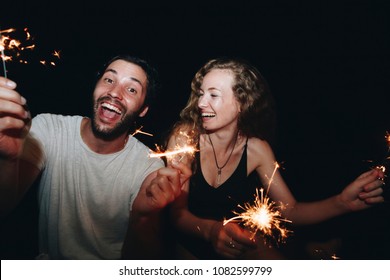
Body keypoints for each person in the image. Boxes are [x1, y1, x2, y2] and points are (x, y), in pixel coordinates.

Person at [165, 57, 385, 259]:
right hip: (188, 247)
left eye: (213, 95)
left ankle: (311, 250)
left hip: (239, 244)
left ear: (242, 102)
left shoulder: (256, 149)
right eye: (201, 93)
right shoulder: (185, 138)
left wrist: (342, 202)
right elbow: (177, 215)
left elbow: (289, 210)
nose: (201, 103)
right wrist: (211, 231)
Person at [0, 54, 190, 259]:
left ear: (143, 110)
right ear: (95, 86)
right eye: (109, 79)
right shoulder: (50, 129)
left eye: (131, 89)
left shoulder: (148, 167)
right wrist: (8, 159)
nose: (115, 93)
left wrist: (143, 217)